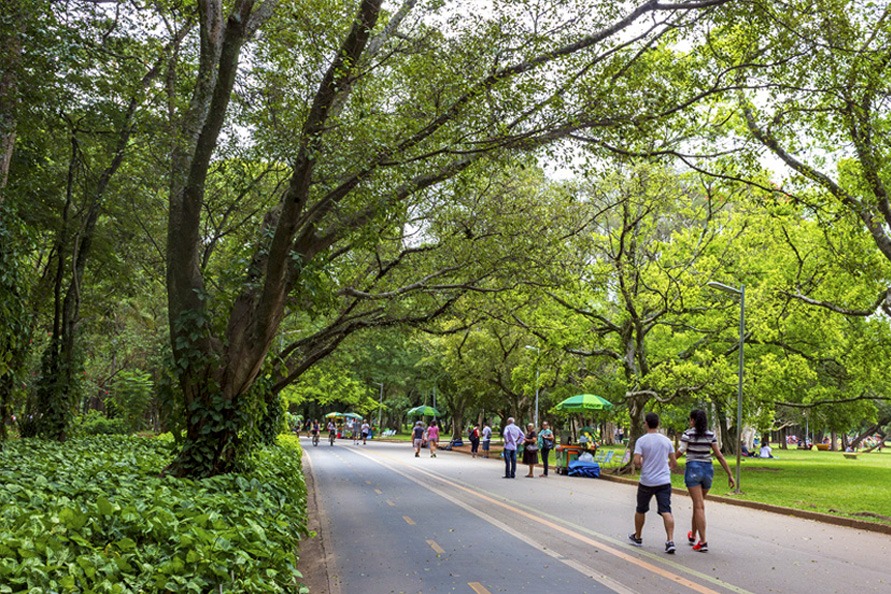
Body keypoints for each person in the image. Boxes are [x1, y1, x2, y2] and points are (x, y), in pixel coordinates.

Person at [676, 409, 735, 553]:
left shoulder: (688, 434)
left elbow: (681, 451)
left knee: (699, 506)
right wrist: (730, 474)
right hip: (708, 470)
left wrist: (667, 462)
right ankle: (693, 535)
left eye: (690, 419)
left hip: (693, 469)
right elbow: (719, 455)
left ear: (693, 420)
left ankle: (703, 542)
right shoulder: (710, 435)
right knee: (698, 504)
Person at [628, 412, 677, 555]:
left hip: (647, 481)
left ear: (646, 424)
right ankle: (670, 541)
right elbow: (673, 462)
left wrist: (643, 463)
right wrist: (667, 468)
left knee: (641, 509)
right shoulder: (666, 441)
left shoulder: (641, 441)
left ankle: (638, 536)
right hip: (663, 481)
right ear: (658, 424)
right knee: (666, 510)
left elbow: (637, 461)